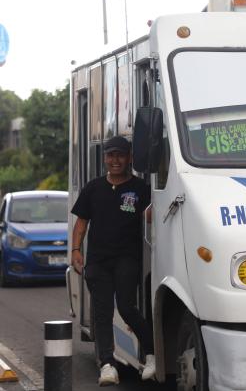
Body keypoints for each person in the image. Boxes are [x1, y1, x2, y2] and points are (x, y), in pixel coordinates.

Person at [70, 136, 155, 386]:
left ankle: (151, 355)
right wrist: (76, 250)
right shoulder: (93, 188)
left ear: (130, 158)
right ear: (105, 158)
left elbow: (152, 219)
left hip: (127, 259)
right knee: (102, 313)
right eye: (110, 155)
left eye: (120, 155)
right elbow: (81, 222)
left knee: (127, 308)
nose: (115, 160)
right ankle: (107, 365)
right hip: (98, 261)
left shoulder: (140, 189)